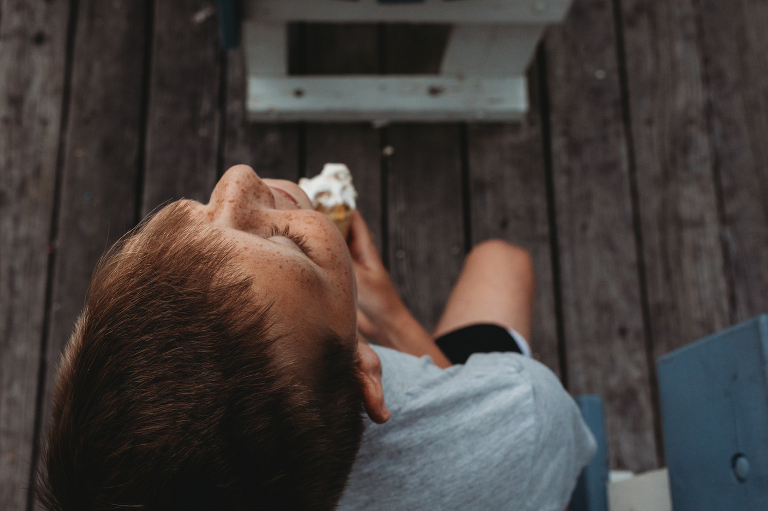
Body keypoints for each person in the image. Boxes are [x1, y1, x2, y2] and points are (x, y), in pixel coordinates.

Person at [39, 165, 594, 511]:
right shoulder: (525, 415)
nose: (236, 179)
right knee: (501, 261)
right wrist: (394, 319)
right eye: (291, 245)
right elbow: (508, 419)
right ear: (366, 377)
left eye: (195, 216)